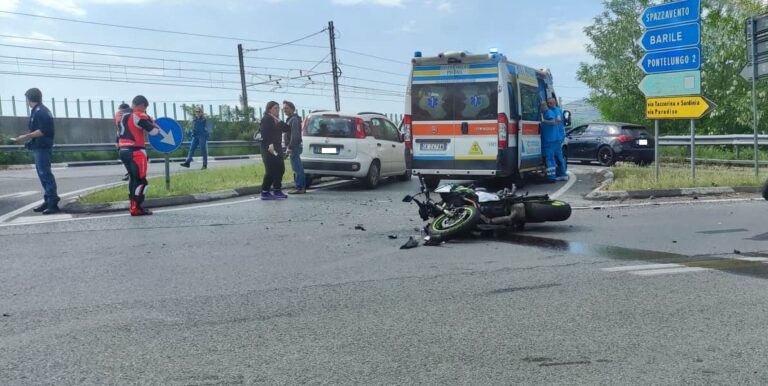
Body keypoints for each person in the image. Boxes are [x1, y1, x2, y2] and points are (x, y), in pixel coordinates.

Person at [11, 88, 60, 214]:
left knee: (45, 174)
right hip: (39, 146)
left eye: (27, 98)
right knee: (42, 174)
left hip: (43, 147)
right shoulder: (38, 110)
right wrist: (29, 141)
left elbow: (43, 131)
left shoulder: (40, 112)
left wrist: (25, 137)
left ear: (30, 98)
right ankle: (48, 200)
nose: (26, 101)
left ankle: (52, 202)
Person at [117, 95, 161, 216]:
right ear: (141, 105)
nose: (144, 110)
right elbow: (154, 131)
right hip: (136, 151)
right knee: (141, 181)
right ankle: (137, 207)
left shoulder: (121, 116)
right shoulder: (137, 115)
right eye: (144, 108)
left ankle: (133, 206)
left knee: (132, 178)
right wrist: (152, 122)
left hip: (123, 150)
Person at [259, 101, 287, 200]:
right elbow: (265, 133)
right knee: (270, 171)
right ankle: (264, 192)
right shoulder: (266, 119)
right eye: (275, 108)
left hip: (277, 147)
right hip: (268, 148)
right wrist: (270, 144)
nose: (277, 110)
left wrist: (278, 120)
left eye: (278, 108)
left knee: (280, 169)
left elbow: (287, 128)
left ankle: (277, 190)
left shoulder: (276, 120)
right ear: (269, 109)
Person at [283, 100, 305, 194]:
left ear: (292, 109)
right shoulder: (291, 119)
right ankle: (299, 186)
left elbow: (295, 136)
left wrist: (290, 147)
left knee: (297, 168)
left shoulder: (294, 120)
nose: (285, 110)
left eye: (287, 108)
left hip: (294, 146)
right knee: (296, 167)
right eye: (284, 109)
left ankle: (300, 187)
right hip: (293, 146)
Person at [548, 97, 568, 181]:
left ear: (554, 103)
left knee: (555, 156)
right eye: (548, 103)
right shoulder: (558, 109)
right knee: (558, 156)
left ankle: (561, 174)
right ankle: (562, 173)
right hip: (558, 136)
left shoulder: (556, 110)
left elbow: (559, 119)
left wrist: (550, 122)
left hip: (556, 137)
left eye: (550, 103)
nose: (549, 105)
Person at [539, 102, 560, 183]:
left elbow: (553, 122)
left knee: (549, 159)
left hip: (549, 140)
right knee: (550, 159)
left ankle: (551, 178)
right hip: (548, 140)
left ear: (544, 106)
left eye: (541, 107)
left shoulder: (549, 113)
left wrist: (543, 120)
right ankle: (551, 176)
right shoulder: (546, 112)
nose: (540, 109)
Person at [115, 103, 132, 181]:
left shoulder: (128, 116)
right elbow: (119, 130)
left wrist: (117, 141)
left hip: (129, 142)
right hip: (123, 141)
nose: (119, 112)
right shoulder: (121, 117)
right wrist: (117, 141)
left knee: (128, 159)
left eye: (120, 110)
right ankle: (129, 173)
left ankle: (130, 173)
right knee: (125, 159)